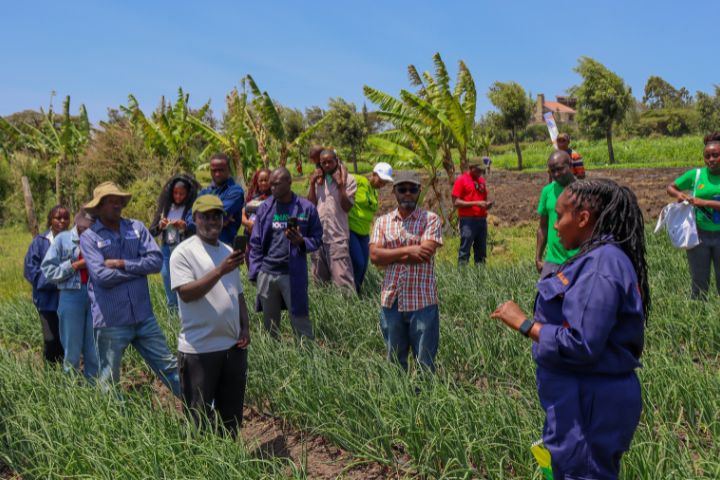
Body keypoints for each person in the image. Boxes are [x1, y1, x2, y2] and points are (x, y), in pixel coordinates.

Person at [491, 178, 650, 480]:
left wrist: (524, 323)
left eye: (559, 216)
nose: (554, 226)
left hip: (589, 405)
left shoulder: (601, 266)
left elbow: (582, 344)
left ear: (583, 218)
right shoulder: (594, 258)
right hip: (580, 402)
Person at [80, 181, 180, 396]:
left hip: (143, 316)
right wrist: (137, 271)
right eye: (110, 202)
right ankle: (119, 427)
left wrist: (122, 264)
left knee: (170, 366)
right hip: (111, 321)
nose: (116, 206)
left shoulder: (136, 227)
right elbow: (101, 276)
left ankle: (201, 412)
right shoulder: (89, 237)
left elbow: (155, 262)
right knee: (109, 379)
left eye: (119, 201)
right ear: (98, 208)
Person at [170, 195, 250, 435]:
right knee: (198, 420)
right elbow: (186, 293)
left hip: (232, 348)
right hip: (199, 350)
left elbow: (238, 293)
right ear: (194, 219)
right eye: (205, 216)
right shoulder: (183, 253)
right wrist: (220, 270)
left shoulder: (227, 250)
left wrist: (245, 326)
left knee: (231, 420)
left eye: (217, 216)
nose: (211, 221)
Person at [369, 171, 443, 372]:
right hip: (391, 300)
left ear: (419, 191)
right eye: (403, 189)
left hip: (423, 301)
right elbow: (374, 256)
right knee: (394, 362)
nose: (407, 193)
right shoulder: (382, 222)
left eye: (412, 189)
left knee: (425, 363)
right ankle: (400, 402)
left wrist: (389, 254)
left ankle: (425, 401)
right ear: (395, 192)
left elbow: (424, 254)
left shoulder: (431, 219)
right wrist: (409, 249)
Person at [249, 167, 323, 339]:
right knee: (270, 324)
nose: (272, 188)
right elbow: (256, 242)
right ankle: (274, 361)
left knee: (300, 319)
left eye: (276, 184)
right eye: (270, 184)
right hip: (267, 273)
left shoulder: (306, 208)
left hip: (292, 274)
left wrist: (301, 242)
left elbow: (318, 238)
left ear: (289, 182)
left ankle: (307, 357)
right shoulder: (265, 208)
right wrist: (256, 273)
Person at [41, 210, 99, 381]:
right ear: (78, 224)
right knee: (72, 350)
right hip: (71, 295)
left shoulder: (97, 238)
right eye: (84, 227)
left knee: (94, 350)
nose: (87, 230)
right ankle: (71, 393)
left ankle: (93, 391)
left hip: (95, 296)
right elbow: (49, 271)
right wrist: (74, 265)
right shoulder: (63, 239)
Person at [667, 132, 720, 298]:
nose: (711, 159)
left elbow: (703, 202)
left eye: (715, 155)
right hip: (698, 236)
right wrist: (679, 195)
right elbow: (671, 188)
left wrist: (703, 202)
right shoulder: (696, 175)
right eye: (707, 156)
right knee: (699, 282)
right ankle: (699, 319)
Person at [24, 205, 69, 364]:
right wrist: (56, 280)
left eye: (65, 218)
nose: (62, 221)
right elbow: (31, 271)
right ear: (50, 220)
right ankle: (50, 377)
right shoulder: (40, 242)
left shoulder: (74, 241)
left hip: (69, 300)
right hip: (46, 301)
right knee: (51, 341)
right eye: (58, 217)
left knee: (66, 341)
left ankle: (66, 379)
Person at [307, 148, 357, 291]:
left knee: (343, 283)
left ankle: (348, 311)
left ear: (337, 160)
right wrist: (311, 184)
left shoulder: (349, 179)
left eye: (330, 162)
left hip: (337, 238)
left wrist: (340, 185)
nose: (327, 165)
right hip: (318, 237)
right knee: (319, 283)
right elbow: (310, 206)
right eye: (324, 163)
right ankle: (326, 313)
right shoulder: (318, 180)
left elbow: (347, 207)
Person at [149, 174, 199, 310]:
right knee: (166, 276)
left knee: (184, 279)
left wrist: (185, 226)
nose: (178, 197)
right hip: (166, 248)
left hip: (184, 248)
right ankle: (172, 310)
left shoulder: (191, 208)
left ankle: (186, 309)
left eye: (182, 194)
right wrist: (160, 225)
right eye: (175, 193)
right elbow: (152, 231)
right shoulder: (165, 208)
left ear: (188, 194)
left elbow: (198, 228)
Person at [348, 162, 394, 293]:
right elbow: (340, 178)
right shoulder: (360, 181)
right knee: (358, 263)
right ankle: (351, 293)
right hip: (351, 230)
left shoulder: (374, 192)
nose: (382, 184)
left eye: (385, 182)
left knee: (364, 266)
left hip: (364, 233)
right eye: (381, 180)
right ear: (374, 174)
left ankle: (358, 293)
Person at [535, 151, 578, 277]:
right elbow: (543, 227)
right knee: (546, 295)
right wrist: (538, 257)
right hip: (552, 262)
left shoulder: (583, 191)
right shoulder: (547, 191)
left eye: (559, 169)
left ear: (570, 166)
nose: (556, 174)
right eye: (552, 171)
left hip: (577, 260)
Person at [188, 153, 245, 245]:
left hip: (224, 245)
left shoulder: (236, 192)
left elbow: (221, 213)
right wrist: (221, 220)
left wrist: (200, 219)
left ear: (228, 170)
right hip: (201, 245)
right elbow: (189, 215)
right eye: (214, 171)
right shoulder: (204, 192)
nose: (217, 174)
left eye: (221, 170)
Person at [452, 162, 493, 265]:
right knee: (465, 251)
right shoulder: (461, 179)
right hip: (467, 220)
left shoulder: (481, 181)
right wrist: (476, 203)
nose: (480, 172)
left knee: (481, 253)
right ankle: (462, 277)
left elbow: (483, 198)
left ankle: (480, 278)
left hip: (481, 220)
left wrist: (486, 205)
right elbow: (455, 202)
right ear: (471, 168)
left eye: (482, 171)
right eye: (478, 170)